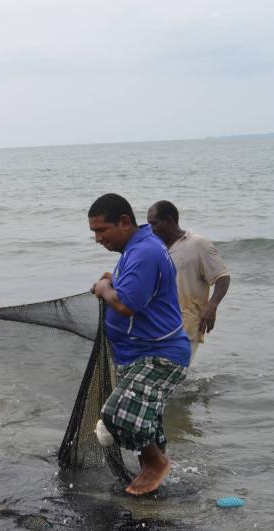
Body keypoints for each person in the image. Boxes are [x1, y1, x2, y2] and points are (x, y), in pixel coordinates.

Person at [88, 193, 190, 496]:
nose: (97, 239)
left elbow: (127, 304)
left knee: (117, 414)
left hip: (160, 354)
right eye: (94, 232)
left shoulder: (144, 251)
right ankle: (154, 471)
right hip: (138, 353)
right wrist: (112, 280)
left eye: (102, 230)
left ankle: (156, 464)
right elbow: (133, 287)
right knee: (148, 419)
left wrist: (106, 288)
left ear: (124, 222)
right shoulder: (137, 247)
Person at [146, 201, 230, 362]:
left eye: (154, 223)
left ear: (169, 221)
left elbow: (222, 277)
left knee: (174, 376)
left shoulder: (198, 244)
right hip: (158, 326)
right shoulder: (156, 247)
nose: (151, 229)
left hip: (187, 325)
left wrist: (212, 306)